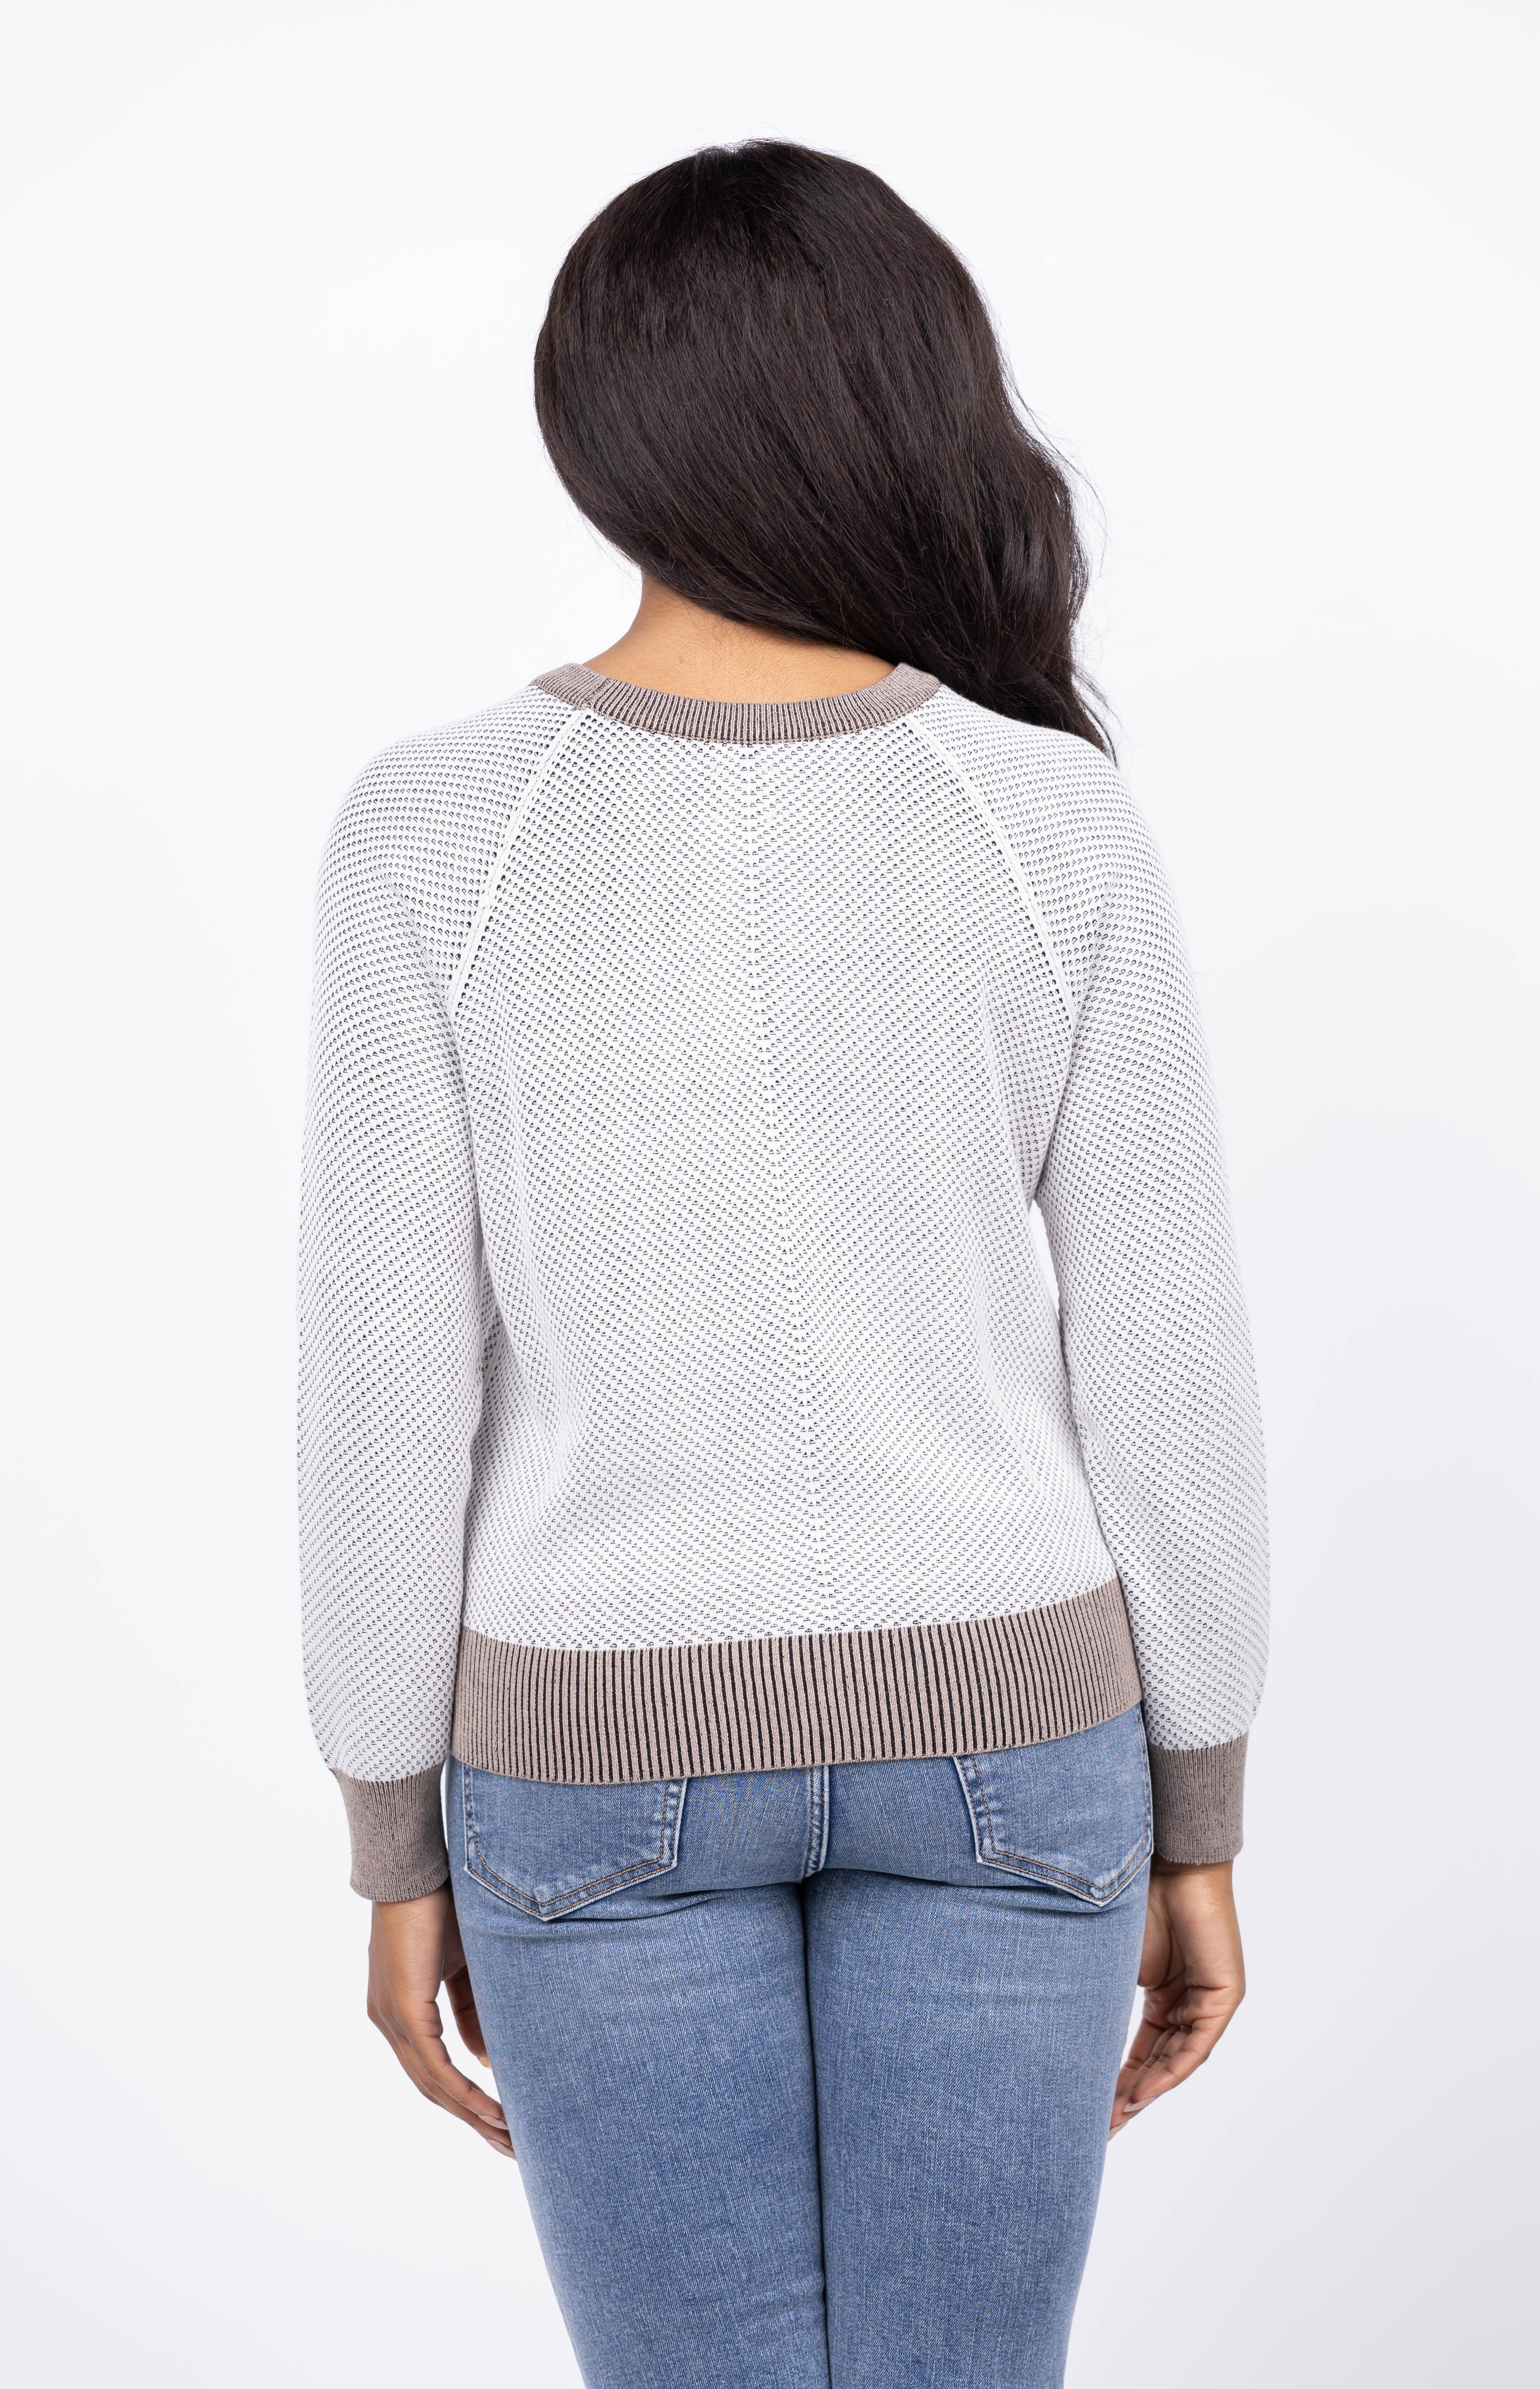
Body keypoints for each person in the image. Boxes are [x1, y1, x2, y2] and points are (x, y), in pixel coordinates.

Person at [299, 140, 1267, 2387]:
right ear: (914, 397)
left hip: (589, 1757)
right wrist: (1203, 1805)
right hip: (1014, 1743)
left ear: (597, 424)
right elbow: (1170, 1362)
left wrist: (388, 1833)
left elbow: (381, 1387)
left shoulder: (437, 830)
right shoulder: (1047, 817)